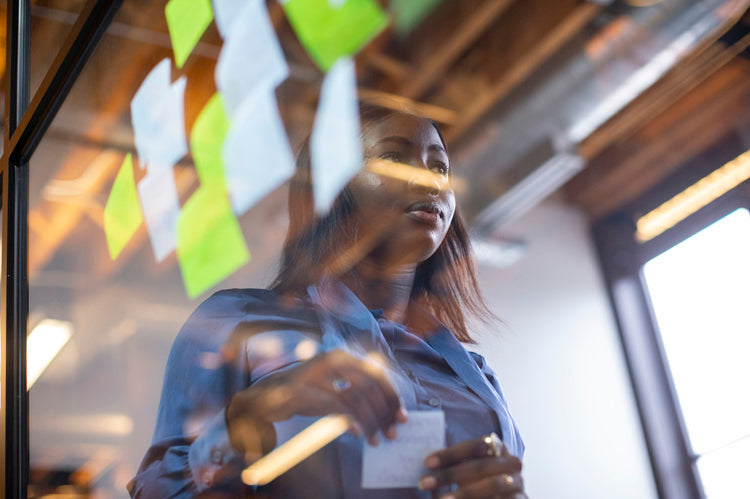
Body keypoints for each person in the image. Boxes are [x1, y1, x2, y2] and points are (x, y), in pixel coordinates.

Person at [129, 102, 526, 498]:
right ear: (333, 187)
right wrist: (254, 417)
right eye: (392, 157)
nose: (432, 183)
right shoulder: (235, 324)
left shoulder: (477, 377)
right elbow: (160, 493)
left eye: (440, 167)